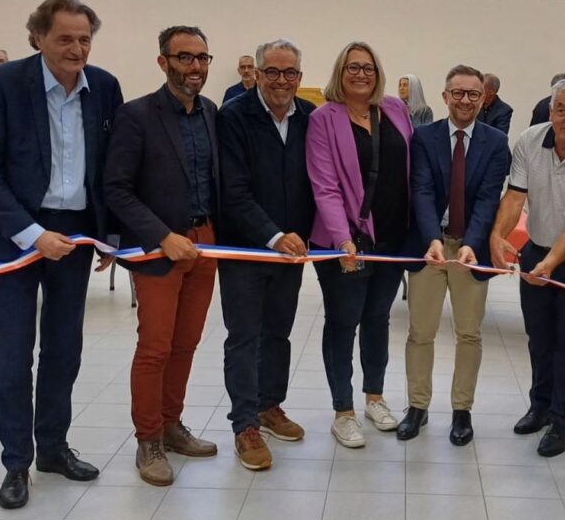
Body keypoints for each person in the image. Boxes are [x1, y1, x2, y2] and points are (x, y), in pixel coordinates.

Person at [0, 0, 123, 509]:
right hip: (12, 234)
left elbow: (112, 169)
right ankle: (16, 461)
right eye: (65, 38)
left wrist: (111, 234)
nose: (76, 49)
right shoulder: (3, 84)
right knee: (12, 355)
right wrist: (33, 234)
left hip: (76, 236)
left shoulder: (103, 86)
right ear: (37, 37)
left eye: (84, 39)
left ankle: (53, 448)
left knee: (63, 350)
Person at [104, 26, 221, 486]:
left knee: (186, 344)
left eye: (203, 58)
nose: (195, 67)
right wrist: (160, 234)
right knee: (155, 347)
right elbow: (116, 188)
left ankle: (172, 425)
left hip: (206, 243)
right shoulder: (136, 116)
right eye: (185, 58)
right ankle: (148, 440)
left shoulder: (211, 112)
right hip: (159, 248)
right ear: (163, 62)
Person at [490, 77, 565, 457]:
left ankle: (563, 420)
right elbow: (515, 197)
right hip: (538, 248)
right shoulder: (530, 140)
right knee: (539, 336)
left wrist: (549, 263)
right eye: (561, 110)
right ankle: (540, 405)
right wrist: (497, 235)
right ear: (551, 109)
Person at [306, 41, 412, 448]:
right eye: (353, 67)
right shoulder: (323, 119)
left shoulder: (395, 109)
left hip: (390, 240)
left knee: (377, 319)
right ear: (340, 71)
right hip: (345, 244)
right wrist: (343, 239)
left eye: (368, 67)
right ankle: (343, 410)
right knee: (342, 322)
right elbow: (325, 185)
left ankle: (375, 397)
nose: (361, 74)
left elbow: (409, 168)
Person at [217, 38, 316, 471]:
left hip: (290, 251)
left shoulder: (311, 118)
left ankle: (269, 405)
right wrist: (274, 235)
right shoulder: (233, 118)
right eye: (272, 72)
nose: (281, 81)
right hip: (244, 247)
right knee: (244, 336)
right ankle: (244, 424)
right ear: (256, 74)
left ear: (300, 77)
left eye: (289, 72)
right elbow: (232, 192)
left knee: (278, 330)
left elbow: (319, 183)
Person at [400, 65, 510, 446]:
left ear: (484, 98)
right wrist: (432, 238)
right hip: (429, 246)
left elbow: (487, 199)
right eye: (458, 93)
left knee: (469, 333)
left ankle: (462, 410)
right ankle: (417, 406)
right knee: (420, 332)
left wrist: (472, 243)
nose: (465, 101)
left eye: (473, 95)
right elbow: (422, 191)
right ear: (445, 97)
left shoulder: (496, 143)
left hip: (469, 248)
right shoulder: (424, 138)